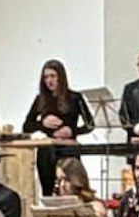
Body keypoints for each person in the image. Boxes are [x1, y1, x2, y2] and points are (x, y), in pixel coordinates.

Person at [22, 59, 94, 198]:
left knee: (71, 189)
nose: (49, 81)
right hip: (47, 152)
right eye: (46, 77)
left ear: (61, 77)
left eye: (53, 76)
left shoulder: (75, 98)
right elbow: (27, 126)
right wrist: (43, 123)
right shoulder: (40, 99)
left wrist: (73, 131)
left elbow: (90, 124)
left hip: (69, 150)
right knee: (48, 191)